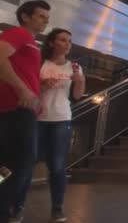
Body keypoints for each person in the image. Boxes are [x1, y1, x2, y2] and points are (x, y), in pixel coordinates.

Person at [0, 0, 50, 223]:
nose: (45, 20)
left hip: (23, 107)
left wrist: (36, 97)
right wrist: (22, 90)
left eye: (47, 17)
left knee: (11, 161)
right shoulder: (19, 34)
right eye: (40, 15)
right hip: (15, 106)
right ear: (25, 16)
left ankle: (4, 208)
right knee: (23, 160)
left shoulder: (31, 41)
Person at [30, 28, 85, 222]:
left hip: (61, 118)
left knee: (58, 165)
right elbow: (29, 90)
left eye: (69, 41)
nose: (67, 44)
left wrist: (79, 82)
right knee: (24, 162)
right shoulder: (40, 63)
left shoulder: (75, 67)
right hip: (36, 119)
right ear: (52, 43)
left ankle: (57, 209)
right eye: (62, 40)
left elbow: (77, 95)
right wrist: (43, 84)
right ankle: (13, 203)